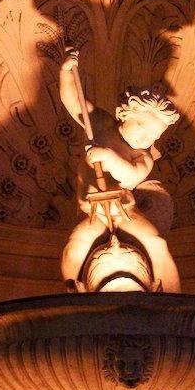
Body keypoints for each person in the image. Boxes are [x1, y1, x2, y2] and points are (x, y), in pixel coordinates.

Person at [58, 49, 181, 294]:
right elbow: (73, 102)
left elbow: (130, 176)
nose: (146, 139)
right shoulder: (101, 125)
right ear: (125, 114)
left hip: (124, 211)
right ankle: (72, 294)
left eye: (154, 136)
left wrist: (108, 157)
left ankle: (173, 298)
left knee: (156, 243)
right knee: (74, 248)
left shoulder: (143, 156)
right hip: (94, 213)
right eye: (143, 128)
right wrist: (66, 72)